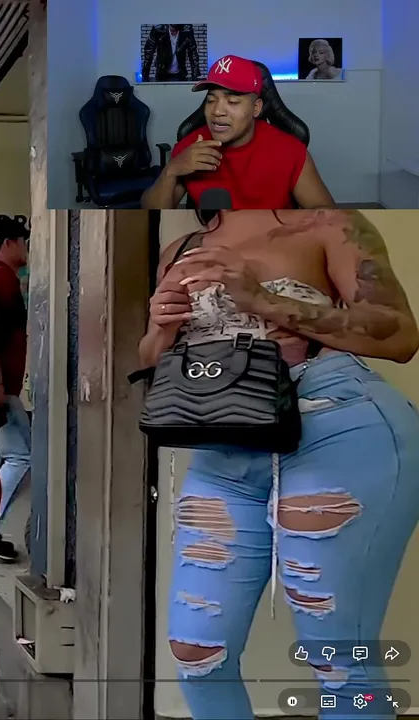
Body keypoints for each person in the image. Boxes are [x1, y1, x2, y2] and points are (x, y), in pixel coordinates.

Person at [138, 210, 419, 717]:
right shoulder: (182, 248)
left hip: (335, 424)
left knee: (337, 654)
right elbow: (155, 360)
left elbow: (400, 336)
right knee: (197, 652)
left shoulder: (328, 225)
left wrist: (264, 300)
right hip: (225, 443)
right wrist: (162, 327)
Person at [141, 55, 335, 211]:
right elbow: (149, 212)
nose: (217, 111)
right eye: (211, 100)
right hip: (212, 240)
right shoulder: (190, 147)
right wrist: (171, 170)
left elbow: (324, 210)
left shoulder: (290, 151)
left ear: (256, 108)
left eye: (232, 102)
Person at [0, 215, 31, 562]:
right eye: (23, 240)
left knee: (3, 456)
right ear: (9, 243)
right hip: (0, 389)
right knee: (21, 456)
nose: (26, 247)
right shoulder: (0, 278)